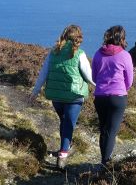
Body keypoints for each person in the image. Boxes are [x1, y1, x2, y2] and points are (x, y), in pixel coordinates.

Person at [30, 25, 95, 169]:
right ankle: (63, 155)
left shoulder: (53, 52)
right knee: (69, 125)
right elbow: (89, 77)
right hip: (74, 96)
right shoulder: (80, 54)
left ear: (64, 36)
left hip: (56, 97)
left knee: (64, 121)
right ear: (78, 38)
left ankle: (66, 147)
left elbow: (43, 74)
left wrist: (35, 92)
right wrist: (103, 87)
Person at [92, 25, 134, 167]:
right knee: (111, 131)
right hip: (118, 98)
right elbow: (129, 80)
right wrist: (122, 89)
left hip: (100, 97)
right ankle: (106, 162)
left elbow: (94, 76)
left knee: (103, 129)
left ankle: (104, 159)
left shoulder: (98, 54)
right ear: (121, 38)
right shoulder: (125, 55)